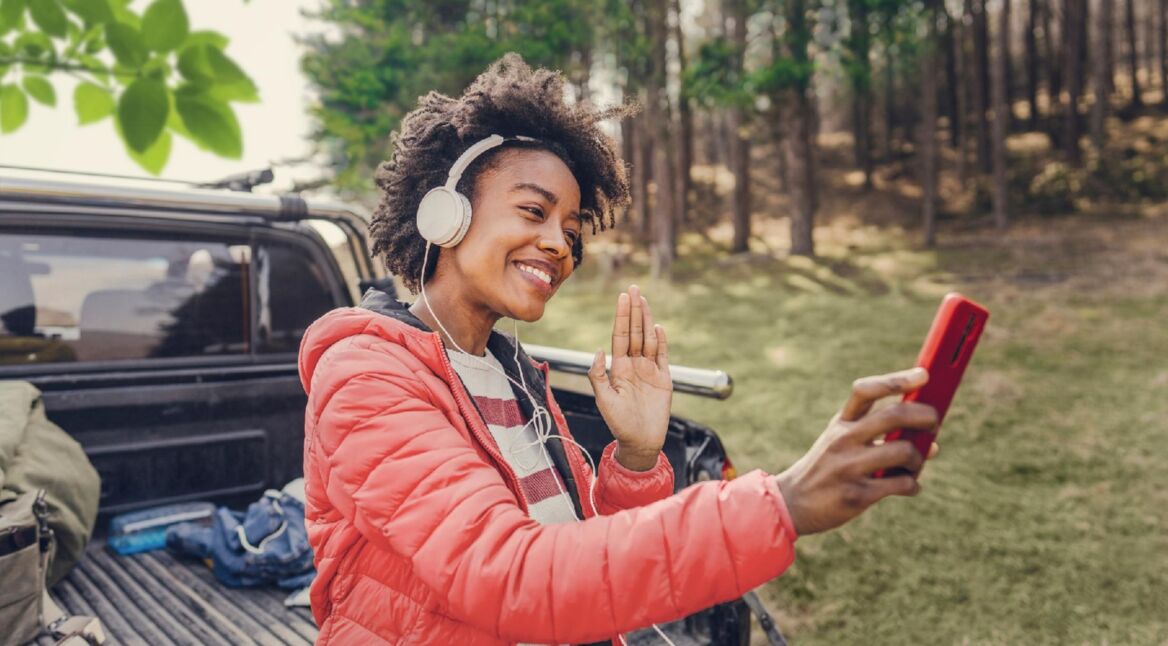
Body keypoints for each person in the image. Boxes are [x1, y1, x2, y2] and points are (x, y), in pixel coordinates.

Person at [298, 53, 939, 646]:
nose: (559, 245)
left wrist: (635, 458)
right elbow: (512, 575)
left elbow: (580, 549)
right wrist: (784, 503)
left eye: (572, 232)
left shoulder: (512, 372)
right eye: (533, 211)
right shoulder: (365, 375)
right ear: (446, 216)